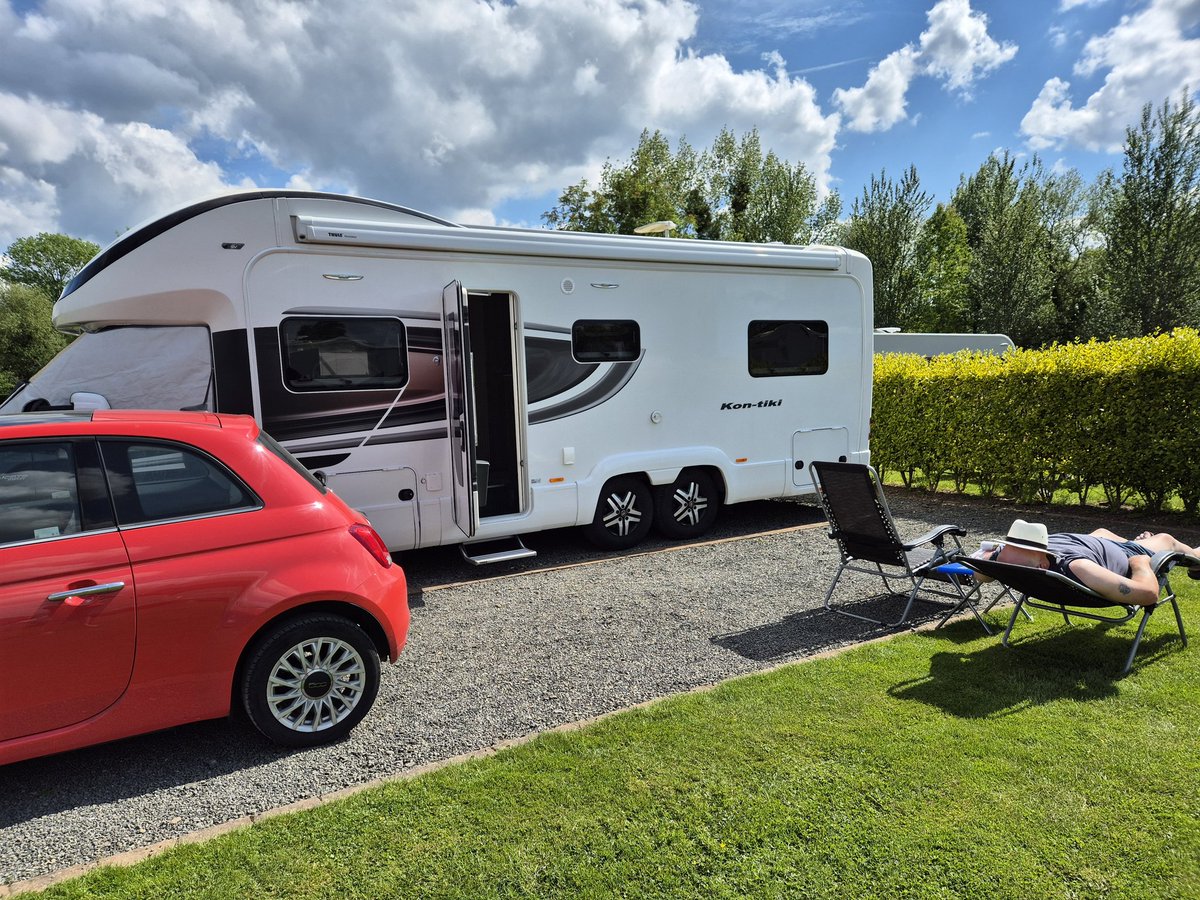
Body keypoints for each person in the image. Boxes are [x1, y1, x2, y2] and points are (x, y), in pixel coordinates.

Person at [972, 518, 1200, 607]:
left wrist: (993, 559)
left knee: (1102, 531)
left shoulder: (1007, 564)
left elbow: (981, 574)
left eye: (1003, 549)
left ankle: (1143, 540)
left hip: (1096, 540)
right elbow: (1148, 594)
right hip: (1126, 552)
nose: (999, 553)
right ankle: (1196, 561)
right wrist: (1140, 562)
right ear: (1042, 565)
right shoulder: (1078, 567)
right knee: (1166, 540)